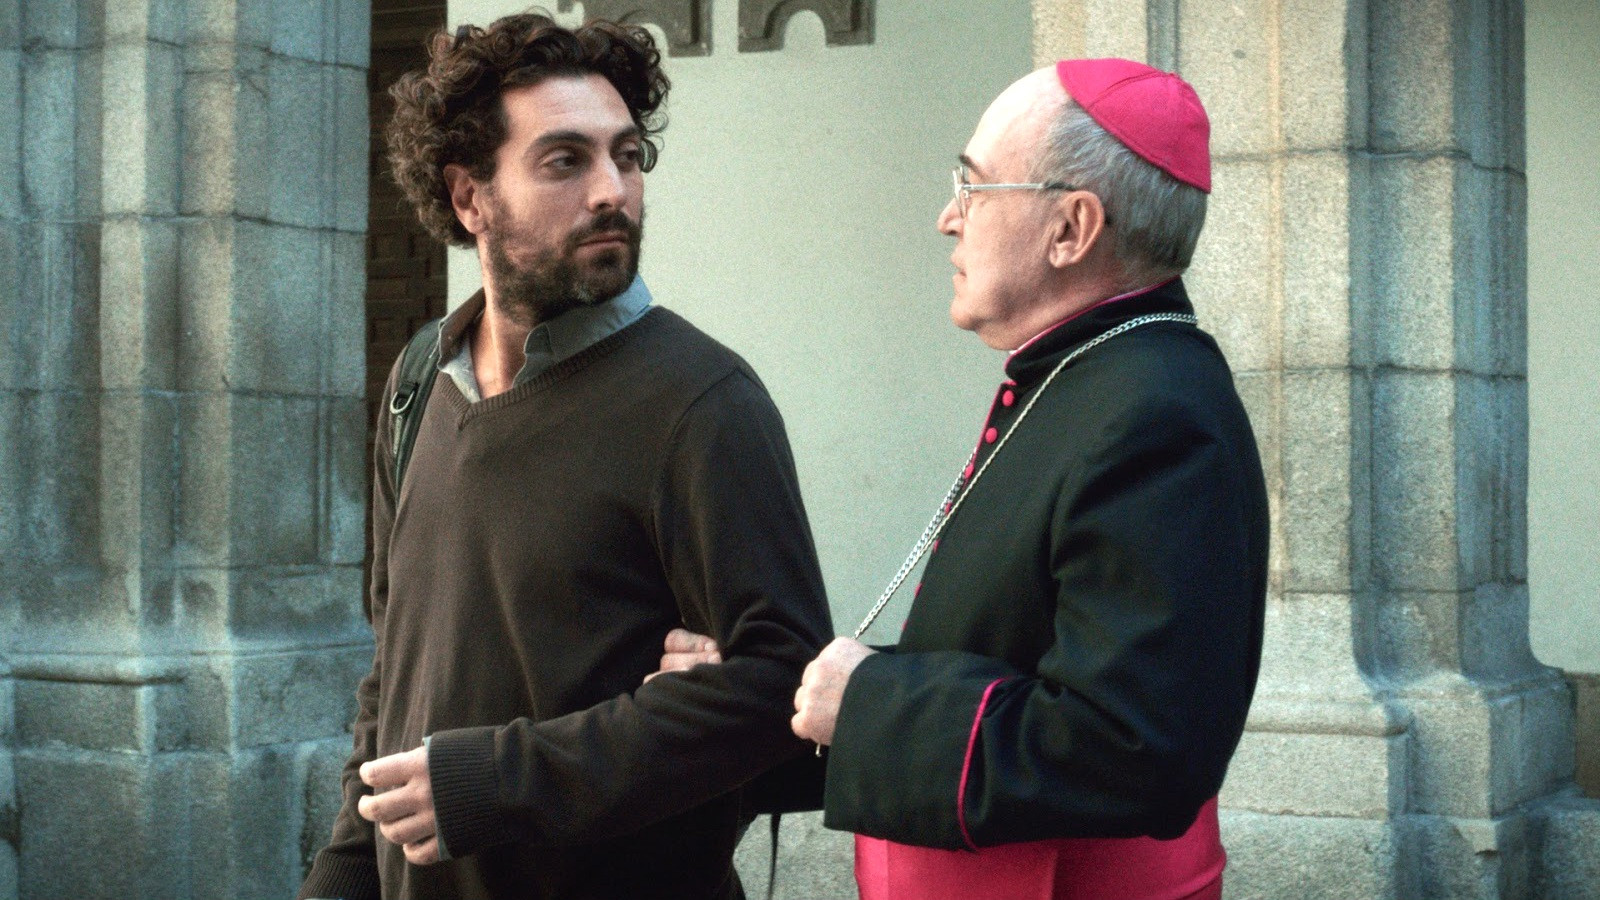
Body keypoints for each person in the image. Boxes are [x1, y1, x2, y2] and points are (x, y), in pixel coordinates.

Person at [658, 59, 1268, 900]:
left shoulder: (1155, 415)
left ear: (1071, 228)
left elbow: (1133, 746)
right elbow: (1005, 664)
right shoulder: (1083, 379)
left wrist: (867, 702)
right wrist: (768, 702)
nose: (948, 218)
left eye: (974, 188)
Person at [298, 14, 833, 900]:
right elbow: (398, 675)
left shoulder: (703, 401)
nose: (611, 191)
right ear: (469, 199)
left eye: (627, 156)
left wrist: (498, 781)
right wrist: (343, 877)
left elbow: (780, 685)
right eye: (565, 161)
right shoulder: (419, 379)